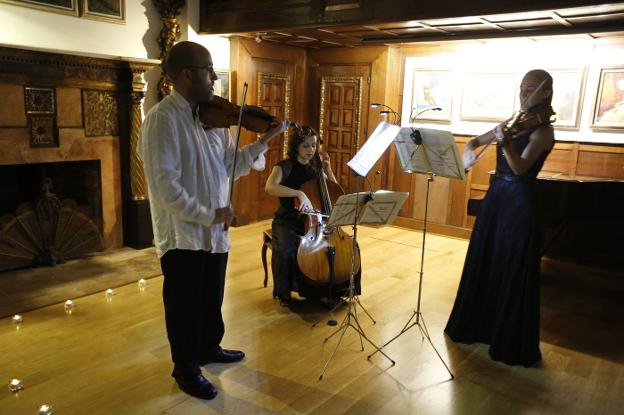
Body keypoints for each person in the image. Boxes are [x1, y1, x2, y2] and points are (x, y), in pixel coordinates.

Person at [138, 41, 288, 400]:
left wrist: (266, 139)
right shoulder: (162, 121)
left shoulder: (213, 119)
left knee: (210, 297)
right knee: (184, 305)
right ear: (187, 75)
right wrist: (210, 214)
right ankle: (185, 368)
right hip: (185, 235)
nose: (213, 77)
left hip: (214, 233)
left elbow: (230, 165)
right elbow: (164, 188)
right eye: (208, 70)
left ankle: (208, 348)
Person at [444, 69, 555, 367]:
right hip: (496, 200)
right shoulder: (513, 123)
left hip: (520, 201)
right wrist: (468, 153)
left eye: (531, 89)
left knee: (511, 268)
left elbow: (519, 168)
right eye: (522, 88)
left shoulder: (544, 131)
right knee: (487, 260)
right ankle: (479, 328)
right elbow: (473, 142)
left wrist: (504, 142)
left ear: (546, 93)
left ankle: (507, 338)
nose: (524, 94)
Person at [264, 126, 360, 305]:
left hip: (316, 221)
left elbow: (335, 190)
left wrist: (328, 169)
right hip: (288, 220)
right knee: (287, 248)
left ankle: (334, 288)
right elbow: (270, 187)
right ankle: (285, 293)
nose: (311, 150)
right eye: (306, 146)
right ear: (296, 147)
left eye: (314, 146)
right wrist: (298, 193)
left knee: (347, 246)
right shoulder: (284, 166)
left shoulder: (316, 168)